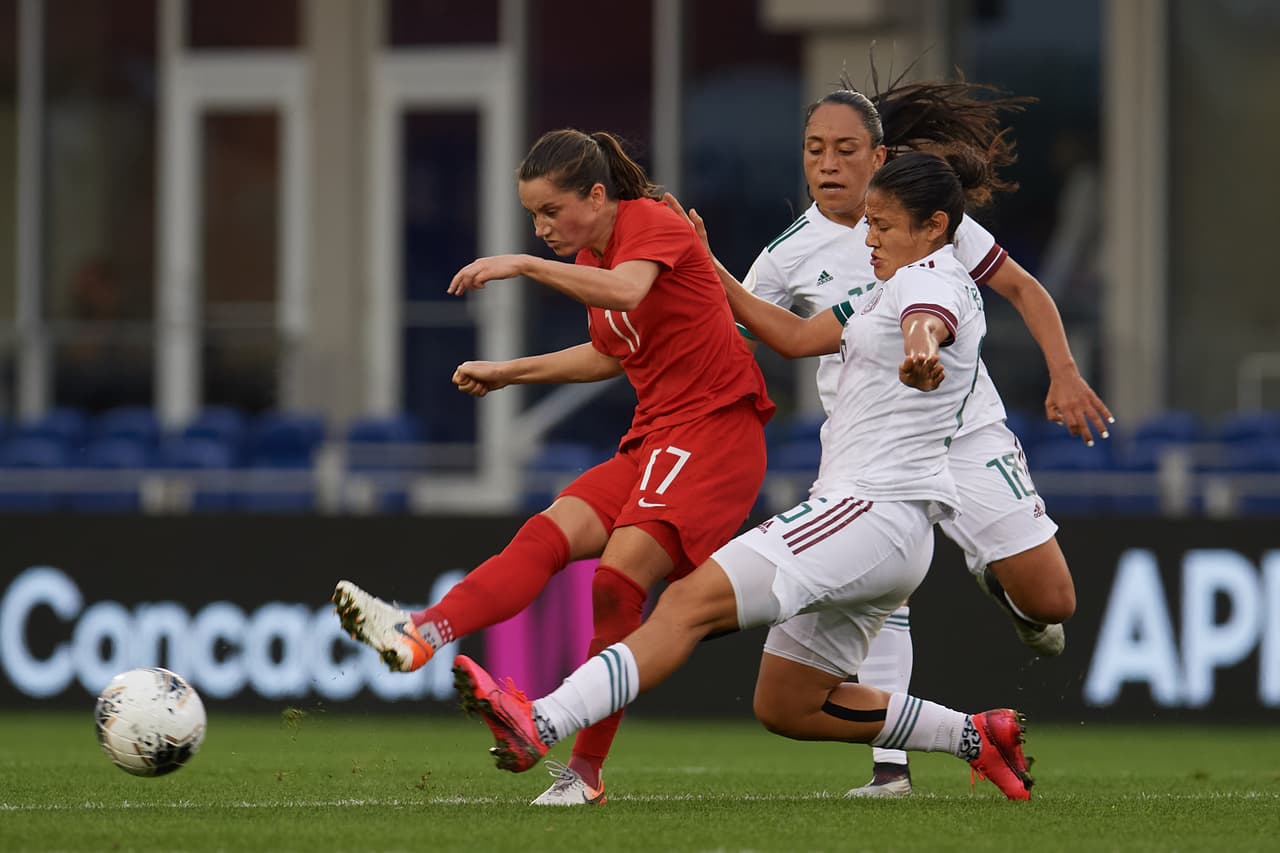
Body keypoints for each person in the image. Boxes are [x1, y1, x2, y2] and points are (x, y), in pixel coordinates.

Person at [453, 150, 1036, 802]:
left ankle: (543, 720)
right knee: (787, 703)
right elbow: (788, 335)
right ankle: (977, 736)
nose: (867, 238)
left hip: (870, 511)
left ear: (932, 227)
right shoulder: (882, 289)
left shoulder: (932, 282)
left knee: (683, 604)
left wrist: (923, 350)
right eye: (867, 223)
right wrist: (709, 266)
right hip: (882, 531)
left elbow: (926, 322)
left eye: (883, 225)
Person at [669, 75, 1112, 798]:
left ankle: (998, 580)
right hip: (869, 451)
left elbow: (1024, 289)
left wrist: (1063, 373)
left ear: (878, 156)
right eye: (815, 149)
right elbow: (745, 332)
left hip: (966, 432)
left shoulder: (935, 221)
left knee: (1053, 601)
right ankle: (891, 772)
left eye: (846, 148)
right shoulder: (787, 255)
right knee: (881, 599)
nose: (829, 163)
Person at [332, 128, 774, 806]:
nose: (540, 228)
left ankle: (584, 771)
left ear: (597, 196)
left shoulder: (650, 223)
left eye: (549, 211)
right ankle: (424, 632)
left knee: (617, 578)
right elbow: (610, 354)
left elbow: (627, 293)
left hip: (716, 435)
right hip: (655, 435)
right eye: (531, 217)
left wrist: (522, 265)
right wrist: (509, 373)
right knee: (545, 534)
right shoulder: (594, 254)